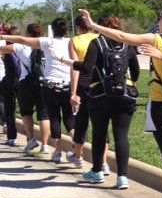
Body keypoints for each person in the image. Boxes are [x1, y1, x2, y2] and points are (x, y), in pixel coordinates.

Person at [80, 5, 162, 198]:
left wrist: (93, 25)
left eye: (160, 17)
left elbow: (123, 36)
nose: (159, 22)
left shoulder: (158, 39)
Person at [53, 14, 140, 186]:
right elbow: (135, 71)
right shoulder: (127, 43)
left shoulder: (97, 43)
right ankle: (122, 177)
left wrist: (65, 61)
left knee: (99, 134)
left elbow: (86, 67)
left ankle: (97, 171)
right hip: (125, 95)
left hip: (100, 95)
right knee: (121, 135)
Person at [0, 18, 74, 162]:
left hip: (28, 83)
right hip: (51, 82)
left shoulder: (26, 46)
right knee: (45, 115)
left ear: (29, 34)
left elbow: (4, 47)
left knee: (26, 112)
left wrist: (2, 37)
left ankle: (31, 138)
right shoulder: (64, 43)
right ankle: (46, 145)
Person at [67, 13, 105, 171]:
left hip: (83, 83)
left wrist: (73, 92)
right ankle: (103, 162)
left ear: (78, 27)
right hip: (101, 83)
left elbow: (75, 68)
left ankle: (78, 156)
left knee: (81, 121)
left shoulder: (75, 41)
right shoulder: (100, 38)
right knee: (101, 124)